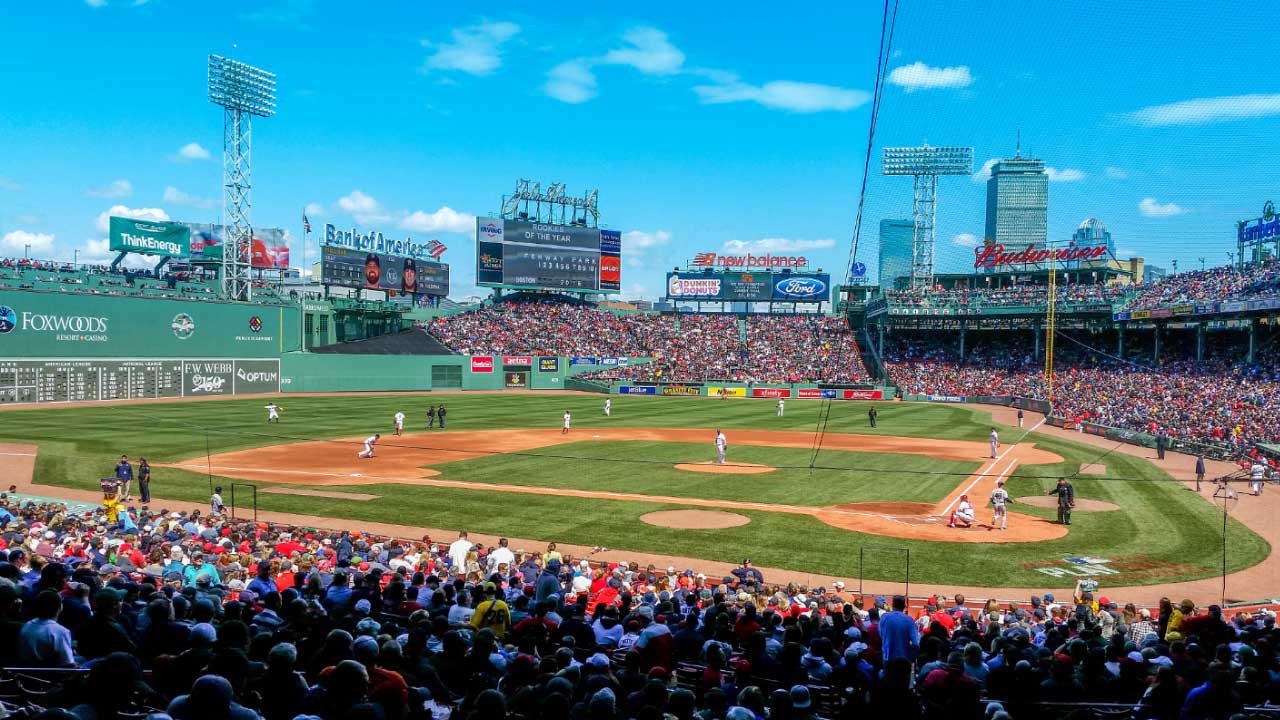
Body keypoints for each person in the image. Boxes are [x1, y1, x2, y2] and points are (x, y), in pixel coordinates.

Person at [879, 595, 920, 665]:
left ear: (892, 605)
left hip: (887, 658)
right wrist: (911, 659)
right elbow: (916, 643)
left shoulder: (884, 617)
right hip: (903, 660)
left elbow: (880, 635)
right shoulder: (909, 620)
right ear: (904, 606)